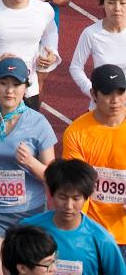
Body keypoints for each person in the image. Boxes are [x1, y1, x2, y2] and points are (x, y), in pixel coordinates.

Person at [0, 57, 57, 275]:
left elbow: (52, 177)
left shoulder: (38, 123)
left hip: (30, 212)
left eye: (16, 85)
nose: (9, 91)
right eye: (4, 83)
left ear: (26, 88)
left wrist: (31, 162)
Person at [24, 157, 126, 275]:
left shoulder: (102, 240)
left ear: (86, 198)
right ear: (51, 194)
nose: (69, 205)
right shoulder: (28, 229)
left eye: (76, 198)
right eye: (63, 197)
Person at [63, 64, 126, 253]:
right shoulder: (76, 133)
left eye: (121, 92)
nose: (115, 100)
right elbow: (75, 185)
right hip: (92, 233)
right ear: (93, 94)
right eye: (107, 93)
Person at [70, 0, 126, 103]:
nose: (117, 8)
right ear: (103, 3)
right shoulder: (91, 33)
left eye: (123, 3)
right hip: (102, 104)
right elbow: (75, 67)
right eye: (111, 2)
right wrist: (91, 91)